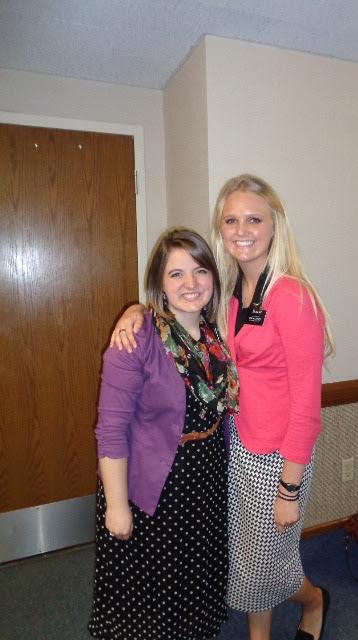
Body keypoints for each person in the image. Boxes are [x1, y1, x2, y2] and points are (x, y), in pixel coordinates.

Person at [111, 175, 334, 640]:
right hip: (234, 448)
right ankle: (274, 624)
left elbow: (307, 409)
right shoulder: (231, 293)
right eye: (231, 220)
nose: (242, 230)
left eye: (254, 219)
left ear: (275, 226)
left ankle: (313, 602)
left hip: (276, 457)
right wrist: (137, 310)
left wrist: (289, 489)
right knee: (252, 559)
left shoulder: (292, 297)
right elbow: (181, 312)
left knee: (262, 565)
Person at [88, 227, 239, 640]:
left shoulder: (215, 334)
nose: (191, 283)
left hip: (206, 480)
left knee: (195, 581)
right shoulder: (136, 337)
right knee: (153, 592)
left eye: (200, 270)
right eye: (176, 274)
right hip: (155, 491)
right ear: (160, 282)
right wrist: (116, 507)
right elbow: (111, 430)